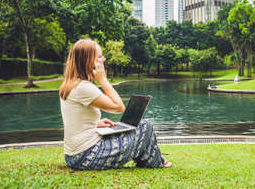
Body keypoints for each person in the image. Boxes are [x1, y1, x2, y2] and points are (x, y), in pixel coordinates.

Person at [59, 39, 172, 170]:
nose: (104, 59)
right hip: (87, 156)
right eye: (100, 56)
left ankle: (154, 160)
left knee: (138, 126)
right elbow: (119, 107)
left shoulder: (70, 84)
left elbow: (74, 118)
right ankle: (156, 161)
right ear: (89, 61)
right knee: (146, 126)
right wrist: (103, 80)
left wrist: (95, 123)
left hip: (73, 156)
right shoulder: (83, 87)